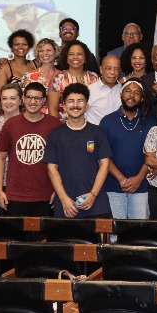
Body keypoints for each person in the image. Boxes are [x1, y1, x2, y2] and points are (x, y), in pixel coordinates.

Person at [44, 83, 113, 219]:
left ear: (87, 106)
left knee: (100, 240)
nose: (75, 105)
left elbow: (104, 165)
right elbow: (52, 170)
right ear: (64, 106)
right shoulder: (55, 134)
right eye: (71, 101)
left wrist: (93, 194)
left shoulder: (97, 132)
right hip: (66, 206)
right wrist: (63, 199)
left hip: (96, 205)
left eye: (80, 101)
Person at [0, 82, 61, 216]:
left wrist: (58, 190)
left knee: (44, 237)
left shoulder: (54, 124)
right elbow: (0, 159)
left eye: (37, 98)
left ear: (44, 101)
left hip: (46, 195)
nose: (33, 101)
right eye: (29, 97)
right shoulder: (11, 124)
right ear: (23, 99)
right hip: (15, 195)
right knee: (17, 237)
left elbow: (62, 159)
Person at [99, 79, 157, 220]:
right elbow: (103, 156)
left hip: (141, 186)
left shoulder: (150, 122)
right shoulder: (107, 121)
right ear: (120, 94)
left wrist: (138, 179)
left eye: (137, 93)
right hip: (113, 186)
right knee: (113, 232)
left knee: (138, 232)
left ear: (142, 98)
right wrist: (121, 179)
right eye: (128, 91)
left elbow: (152, 155)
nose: (131, 95)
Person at [0, 83, 22, 213]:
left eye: (13, 98)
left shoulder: (27, 122)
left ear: (20, 100)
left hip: (24, 182)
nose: (8, 102)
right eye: (4, 98)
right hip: (2, 184)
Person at [48, 40, 99, 118]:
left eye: (79, 54)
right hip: (64, 126)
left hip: (90, 124)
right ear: (66, 58)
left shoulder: (94, 77)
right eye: (71, 54)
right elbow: (52, 109)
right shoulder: (58, 78)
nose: (75, 57)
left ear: (85, 58)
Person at [0, 29, 35, 115]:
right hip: (12, 117)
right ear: (11, 47)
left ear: (29, 47)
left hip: (34, 116)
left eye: (24, 44)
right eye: (16, 44)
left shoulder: (36, 65)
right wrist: (5, 122)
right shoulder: (4, 67)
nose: (20, 47)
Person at [20, 39, 60, 109]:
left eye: (49, 50)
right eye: (41, 51)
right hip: (36, 117)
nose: (45, 53)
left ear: (55, 52)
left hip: (60, 117)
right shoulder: (28, 76)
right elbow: (23, 102)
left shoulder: (63, 76)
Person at [86, 55, 122, 125]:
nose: (112, 72)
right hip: (95, 134)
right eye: (108, 68)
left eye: (116, 69)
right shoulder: (90, 91)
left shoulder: (124, 91)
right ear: (101, 70)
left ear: (120, 71)